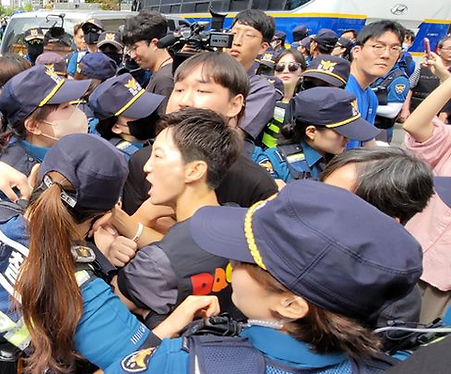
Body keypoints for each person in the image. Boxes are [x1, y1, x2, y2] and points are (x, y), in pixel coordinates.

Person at [0, 134, 220, 374]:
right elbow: (141, 362)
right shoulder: (82, 293)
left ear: (37, 176)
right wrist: (178, 318)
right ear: (105, 217)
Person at [105, 180, 422, 374]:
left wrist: (168, 329)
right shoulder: (390, 365)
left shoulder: (186, 362)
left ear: (291, 305)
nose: (232, 262)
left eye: (245, 261)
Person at [103, 108, 241, 329]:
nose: (147, 167)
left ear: (194, 170)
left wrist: (104, 248)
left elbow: (109, 304)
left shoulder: (156, 264)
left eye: (158, 156)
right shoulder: (245, 222)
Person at [122, 52, 277, 216]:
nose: (184, 101)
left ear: (234, 104)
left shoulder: (255, 184)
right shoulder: (142, 163)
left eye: (201, 91)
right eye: (179, 89)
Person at [320, 147, 434, 337]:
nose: (311, 203)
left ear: (384, 221)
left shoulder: (392, 301)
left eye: (334, 200)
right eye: (318, 190)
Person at [0, 64, 90, 195]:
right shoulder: (14, 177)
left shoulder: (57, 146)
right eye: (65, 107)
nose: (76, 112)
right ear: (33, 126)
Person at [400, 54, 451, 323]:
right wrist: (448, 82)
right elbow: (414, 125)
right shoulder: (449, 139)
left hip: (443, 286)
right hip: (407, 256)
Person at [255, 87, 380, 184]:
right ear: (311, 132)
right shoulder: (276, 163)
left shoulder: (339, 161)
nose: (348, 138)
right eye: (341, 132)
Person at [226, 9, 278, 156]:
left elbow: (233, 137)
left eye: (248, 35)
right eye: (234, 33)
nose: (237, 41)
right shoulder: (204, 70)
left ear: (263, 47)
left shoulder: (262, 90)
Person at [345, 20, 403, 148]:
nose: (386, 55)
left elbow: (366, 141)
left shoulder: (371, 96)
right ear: (356, 51)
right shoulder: (341, 90)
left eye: (394, 49)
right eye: (378, 47)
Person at [88, 74, 165, 160]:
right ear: (116, 127)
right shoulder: (122, 159)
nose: (150, 113)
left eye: (148, 105)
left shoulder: (145, 143)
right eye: (138, 112)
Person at [123, 10, 174, 113]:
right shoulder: (161, 73)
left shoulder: (164, 81)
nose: (132, 56)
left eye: (135, 48)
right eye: (130, 50)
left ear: (154, 43)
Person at [260, 49, 306, 149]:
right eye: (280, 67)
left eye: (292, 67)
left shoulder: (307, 104)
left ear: (303, 71)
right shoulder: (262, 97)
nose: (285, 71)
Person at [402, 35, 451, 123]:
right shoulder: (423, 68)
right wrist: (405, 110)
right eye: (449, 48)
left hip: (444, 120)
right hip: (419, 114)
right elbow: (410, 88)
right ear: (439, 51)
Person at [370, 57, 410, 142]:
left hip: (380, 130)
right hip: (366, 126)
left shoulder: (399, 80)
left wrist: (365, 105)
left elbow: (392, 111)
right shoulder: (373, 73)